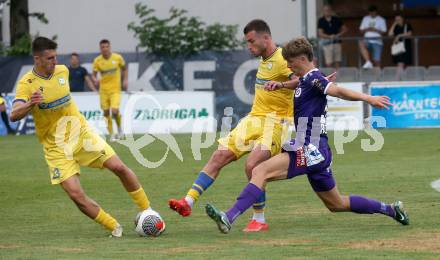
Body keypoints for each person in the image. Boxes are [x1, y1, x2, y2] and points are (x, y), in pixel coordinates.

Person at [205, 37, 409, 234]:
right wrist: (282, 85)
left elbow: (336, 90)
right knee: (336, 204)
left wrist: (368, 98)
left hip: (310, 147)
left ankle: (229, 217)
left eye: (291, 62)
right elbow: (302, 82)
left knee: (260, 170)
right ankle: (392, 209)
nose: (288, 67)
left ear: (303, 59)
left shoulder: (314, 77)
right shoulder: (307, 79)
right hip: (318, 150)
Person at [10, 37, 160, 237]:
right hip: (55, 147)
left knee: (119, 167)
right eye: (49, 58)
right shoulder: (26, 83)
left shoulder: (63, 71)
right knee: (75, 195)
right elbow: (13, 114)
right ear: (37, 59)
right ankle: (114, 228)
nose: (55, 61)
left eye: (55, 56)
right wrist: (30, 104)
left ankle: (147, 209)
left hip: (81, 135)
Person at [168, 19, 299, 232]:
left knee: (253, 165)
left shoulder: (283, 59)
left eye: (251, 41)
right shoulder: (265, 59)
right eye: (247, 42)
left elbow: (300, 79)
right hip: (254, 119)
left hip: (277, 123)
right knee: (219, 155)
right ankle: (188, 202)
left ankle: (259, 219)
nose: (249, 46)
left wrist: (283, 84)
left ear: (266, 38)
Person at [92, 39, 128, 141]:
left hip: (115, 90)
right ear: (100, 49)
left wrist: (125, 80)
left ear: (109, 47)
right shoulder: (97, 61)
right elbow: (93, 75)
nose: (105, 49)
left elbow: (125, 68)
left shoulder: (117, 58)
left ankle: (120, 130)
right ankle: (112, 134)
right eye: (103, 47)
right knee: (106, 113)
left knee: (115, 111)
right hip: (103, 91)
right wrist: (95, 80)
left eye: (106, 47)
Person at [318, 4, 347, 69]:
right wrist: (330, 36)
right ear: (323, 11)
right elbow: (320, 33)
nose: (327, 11)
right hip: (327, 43)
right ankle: (330, 77)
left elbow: (345, 29)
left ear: (331, 11)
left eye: (328, 10)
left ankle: (337, 77)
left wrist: (338, 35)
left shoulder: (336, 19)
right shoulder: (321, 20)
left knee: (337, 61)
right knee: (329, 62)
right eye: (325, 10)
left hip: (337, 42)